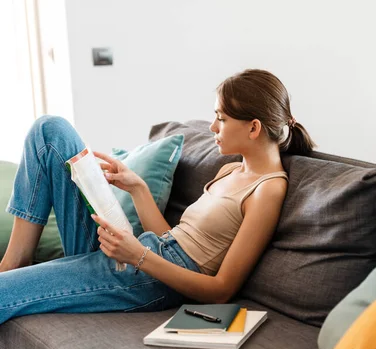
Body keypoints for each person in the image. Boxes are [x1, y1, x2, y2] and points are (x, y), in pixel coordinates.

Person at [0, 69, 316, 325]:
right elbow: (171, 238)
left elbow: (221, 290)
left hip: (149, 279)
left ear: (253, 127)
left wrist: (137, 255)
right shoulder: (230, 171)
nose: (212, 127)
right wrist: (136, 187)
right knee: (50, 131)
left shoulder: (268, 190)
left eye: (221, 118)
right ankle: (15, 261)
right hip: (143, 252)